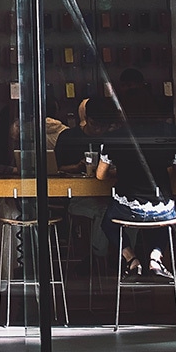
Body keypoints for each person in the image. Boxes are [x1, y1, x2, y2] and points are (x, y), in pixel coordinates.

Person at [92, 95, 176, 280]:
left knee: (108, 222)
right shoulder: (166, 135)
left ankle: (131, 259)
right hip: (162, 208)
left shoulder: (115, 138)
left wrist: (118, 171)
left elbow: (100, 175)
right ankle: (155, 258)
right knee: (163, 217)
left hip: (128, 209)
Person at [55, 97, 115, 257]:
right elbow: (56, 168)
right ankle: (100, 256)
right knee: (105, 210)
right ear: (86, 119)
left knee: (113, 208)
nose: (98, 130)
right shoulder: (68, 138)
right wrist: (77, 167)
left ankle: (101, 258)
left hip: (107, 195)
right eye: (95, 125)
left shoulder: (111, 140)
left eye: (103, 126)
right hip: (78, 197)